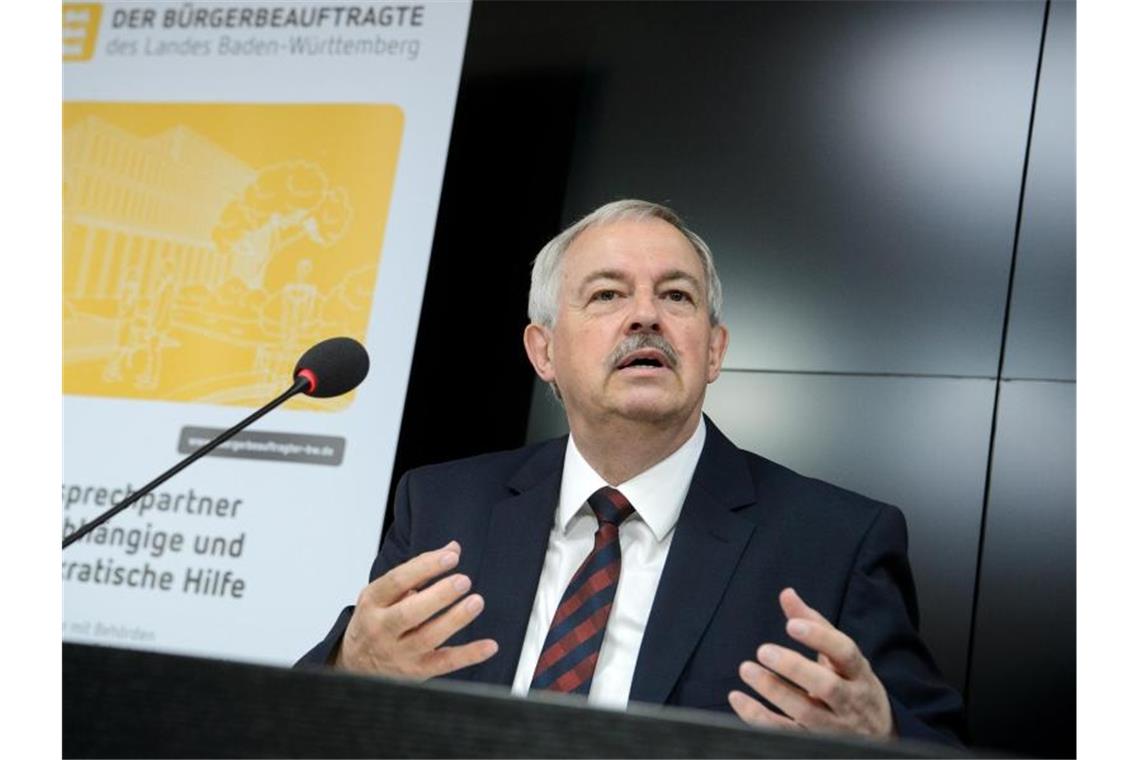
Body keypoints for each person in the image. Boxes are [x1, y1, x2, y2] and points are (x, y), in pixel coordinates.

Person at [299, 199, 966, 746]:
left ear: (713, 349)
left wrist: (881, 738)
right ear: (544, 351)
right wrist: (349, 668)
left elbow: (937, 742)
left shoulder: (835, 542)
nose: (644, 315)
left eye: (676, 295)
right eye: (608, 293)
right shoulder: (444, 506)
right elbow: (303, 713)